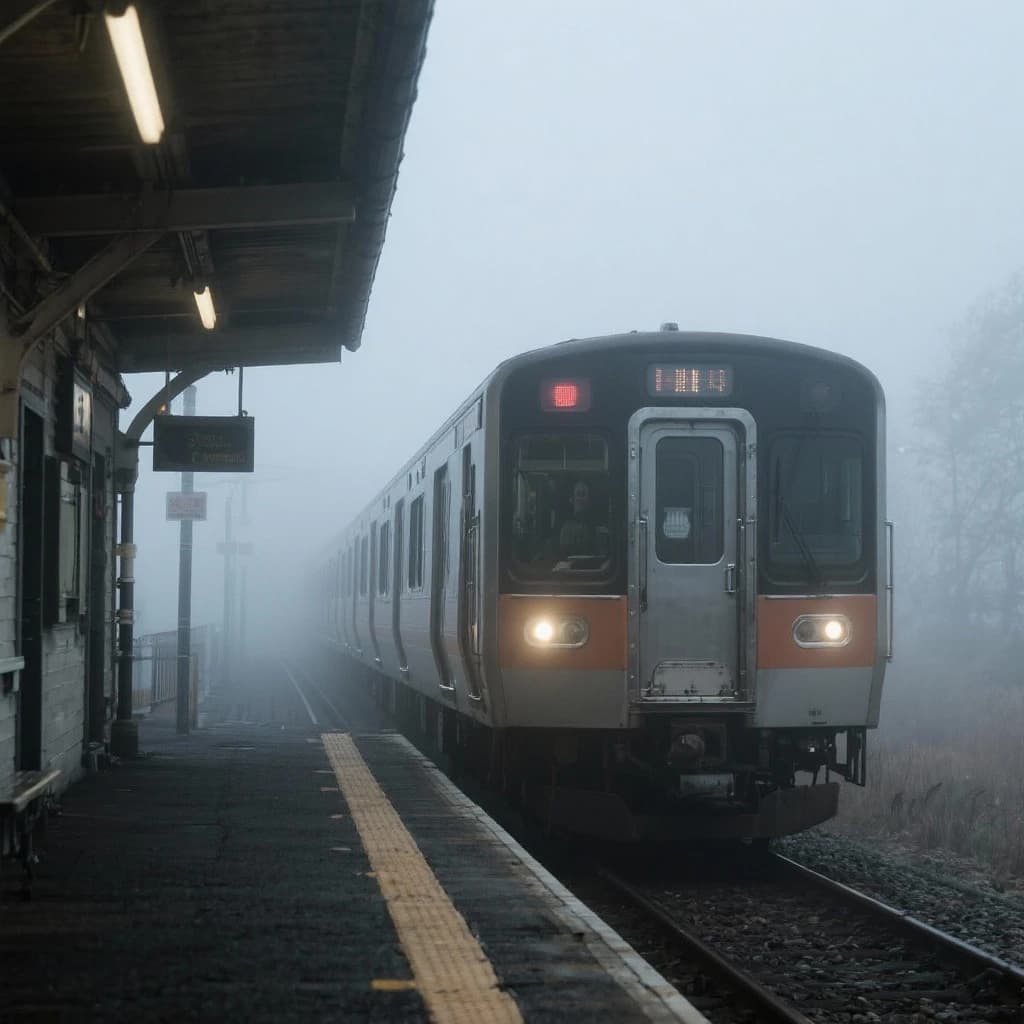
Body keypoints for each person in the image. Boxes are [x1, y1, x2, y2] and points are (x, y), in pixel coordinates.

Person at [559, 480, 597, 556]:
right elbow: (564, 554)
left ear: (589, 499)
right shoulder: (566, 527)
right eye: (578, 494)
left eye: (583, 494)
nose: (581, 499)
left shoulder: (596, 526)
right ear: (571, 499)